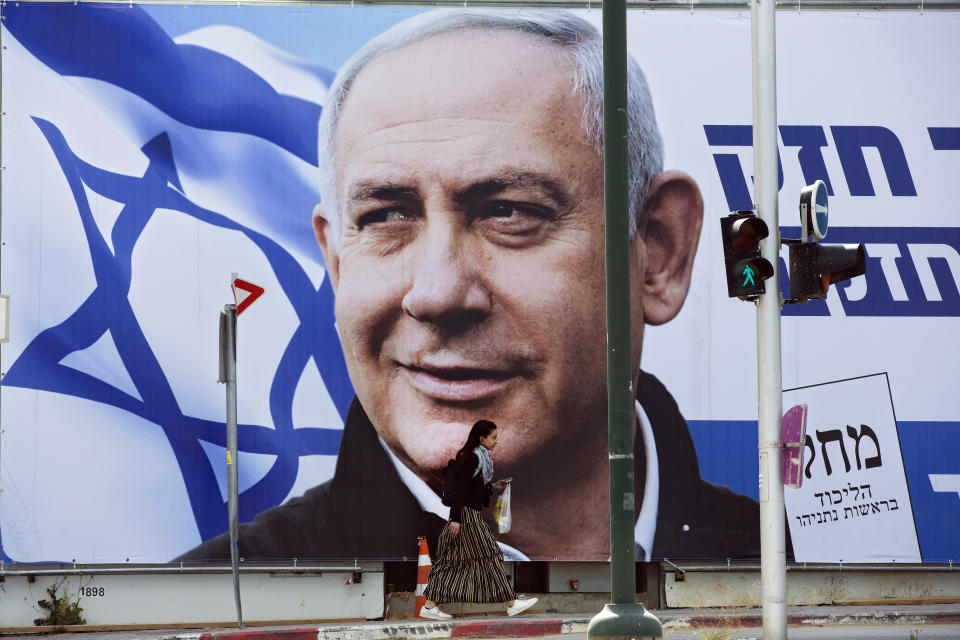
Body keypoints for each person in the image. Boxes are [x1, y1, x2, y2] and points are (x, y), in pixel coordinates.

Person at [179, 8, 768, 564]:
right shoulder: (200, 615)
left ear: (658, 253)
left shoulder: (799, 586)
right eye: (385, 217)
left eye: (508, 211)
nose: (437, 294)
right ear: (337, 264)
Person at [419, 420, 537, 619]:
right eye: (494, 437)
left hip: (466, 515)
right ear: (482, 438)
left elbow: (473, 489)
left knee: (450, 561)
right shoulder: (474, 458)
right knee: (490, 556)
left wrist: (492, 487)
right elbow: (459, 490)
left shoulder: (479, 458)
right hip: (467, 517)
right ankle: (511, 603)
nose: (497, 441)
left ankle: (429, 607)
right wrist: (456, 518)